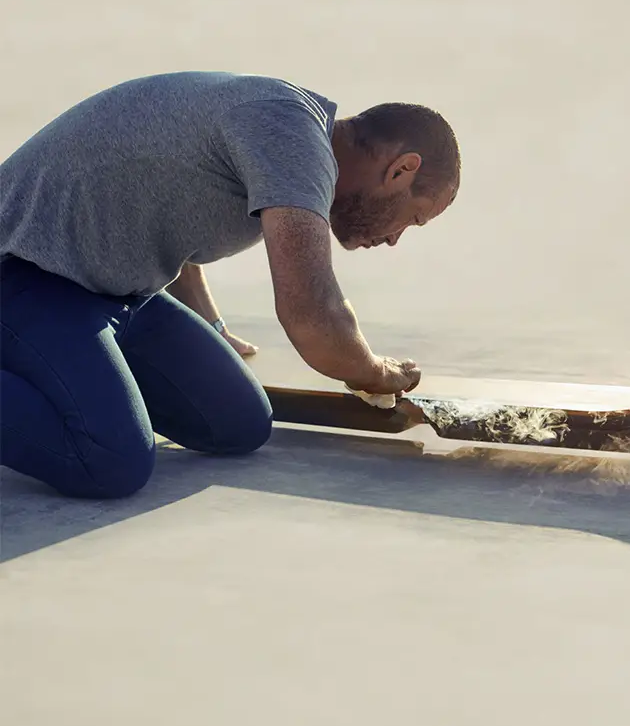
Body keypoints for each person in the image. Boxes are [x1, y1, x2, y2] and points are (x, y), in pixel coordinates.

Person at [0, 71, 461, 499]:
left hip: (116, 294)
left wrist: (212, 326)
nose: (396, 239)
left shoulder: (290, 135)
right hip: (25, 275)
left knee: (236, 424)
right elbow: (313, 313)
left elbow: (168, 207)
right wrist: (375, 374)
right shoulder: (292, 139)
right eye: (414, 218)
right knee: (110, 459)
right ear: (402, 169)